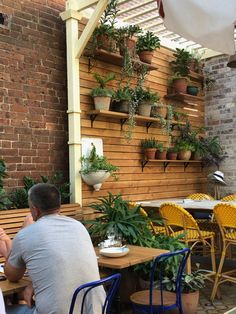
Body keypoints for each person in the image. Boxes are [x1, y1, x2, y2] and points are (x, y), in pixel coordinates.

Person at [0, 183, 105, 314]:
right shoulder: (78, 227)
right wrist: (34, 284)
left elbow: (12, 276)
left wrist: (9, 244)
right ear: (59, 206)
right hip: (96, 309)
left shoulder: (26, 234)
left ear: (35, 210)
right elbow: (68, 264)